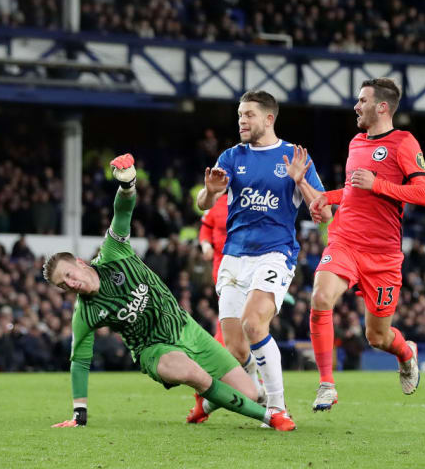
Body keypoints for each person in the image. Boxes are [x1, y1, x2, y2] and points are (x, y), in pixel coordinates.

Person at [45, 153, 295, 431]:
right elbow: (79, 362)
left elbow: (123, 212)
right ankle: (271, 418)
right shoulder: (86, 311)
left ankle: (205, 403)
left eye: (68, 275)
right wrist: (79, 414)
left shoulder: (113, 253)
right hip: (154, 350)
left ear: (79, 263)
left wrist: (127, 184)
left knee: (248, 393)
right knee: (192, 373)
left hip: (186, 327)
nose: (69, 283)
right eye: (62, 285)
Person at [196, 91, 331, 420]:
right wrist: (211, 191)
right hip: (233, 257)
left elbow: (325, 213)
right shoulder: (232, 156)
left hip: (274, 254)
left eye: (249, 115)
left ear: (269, 118)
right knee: (236, 349)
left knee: (254, 324)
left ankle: (277, 407)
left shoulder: (293, 157)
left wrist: (301, 180)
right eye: (240, 114)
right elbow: (203, 204)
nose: (242, 120)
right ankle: (250, 388)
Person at [307, 77, 425, 411]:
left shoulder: (404, 142)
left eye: (362, 100)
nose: (356, 106)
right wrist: (326, 198)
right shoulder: (355, 143)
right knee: (321, 297)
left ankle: (407, 354)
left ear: (382, 107)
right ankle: (326, 385)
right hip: (345, 240)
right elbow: (353, 191)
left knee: (377, 337)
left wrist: (380, 184)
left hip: (383, 255)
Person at [198, 191, 228, 345]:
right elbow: (205, 228)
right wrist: (205, 245)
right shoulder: (216, 202)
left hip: (246, 262)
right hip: (221, 265)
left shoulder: (250, 200)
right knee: (227, 307)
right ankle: (223, 347)